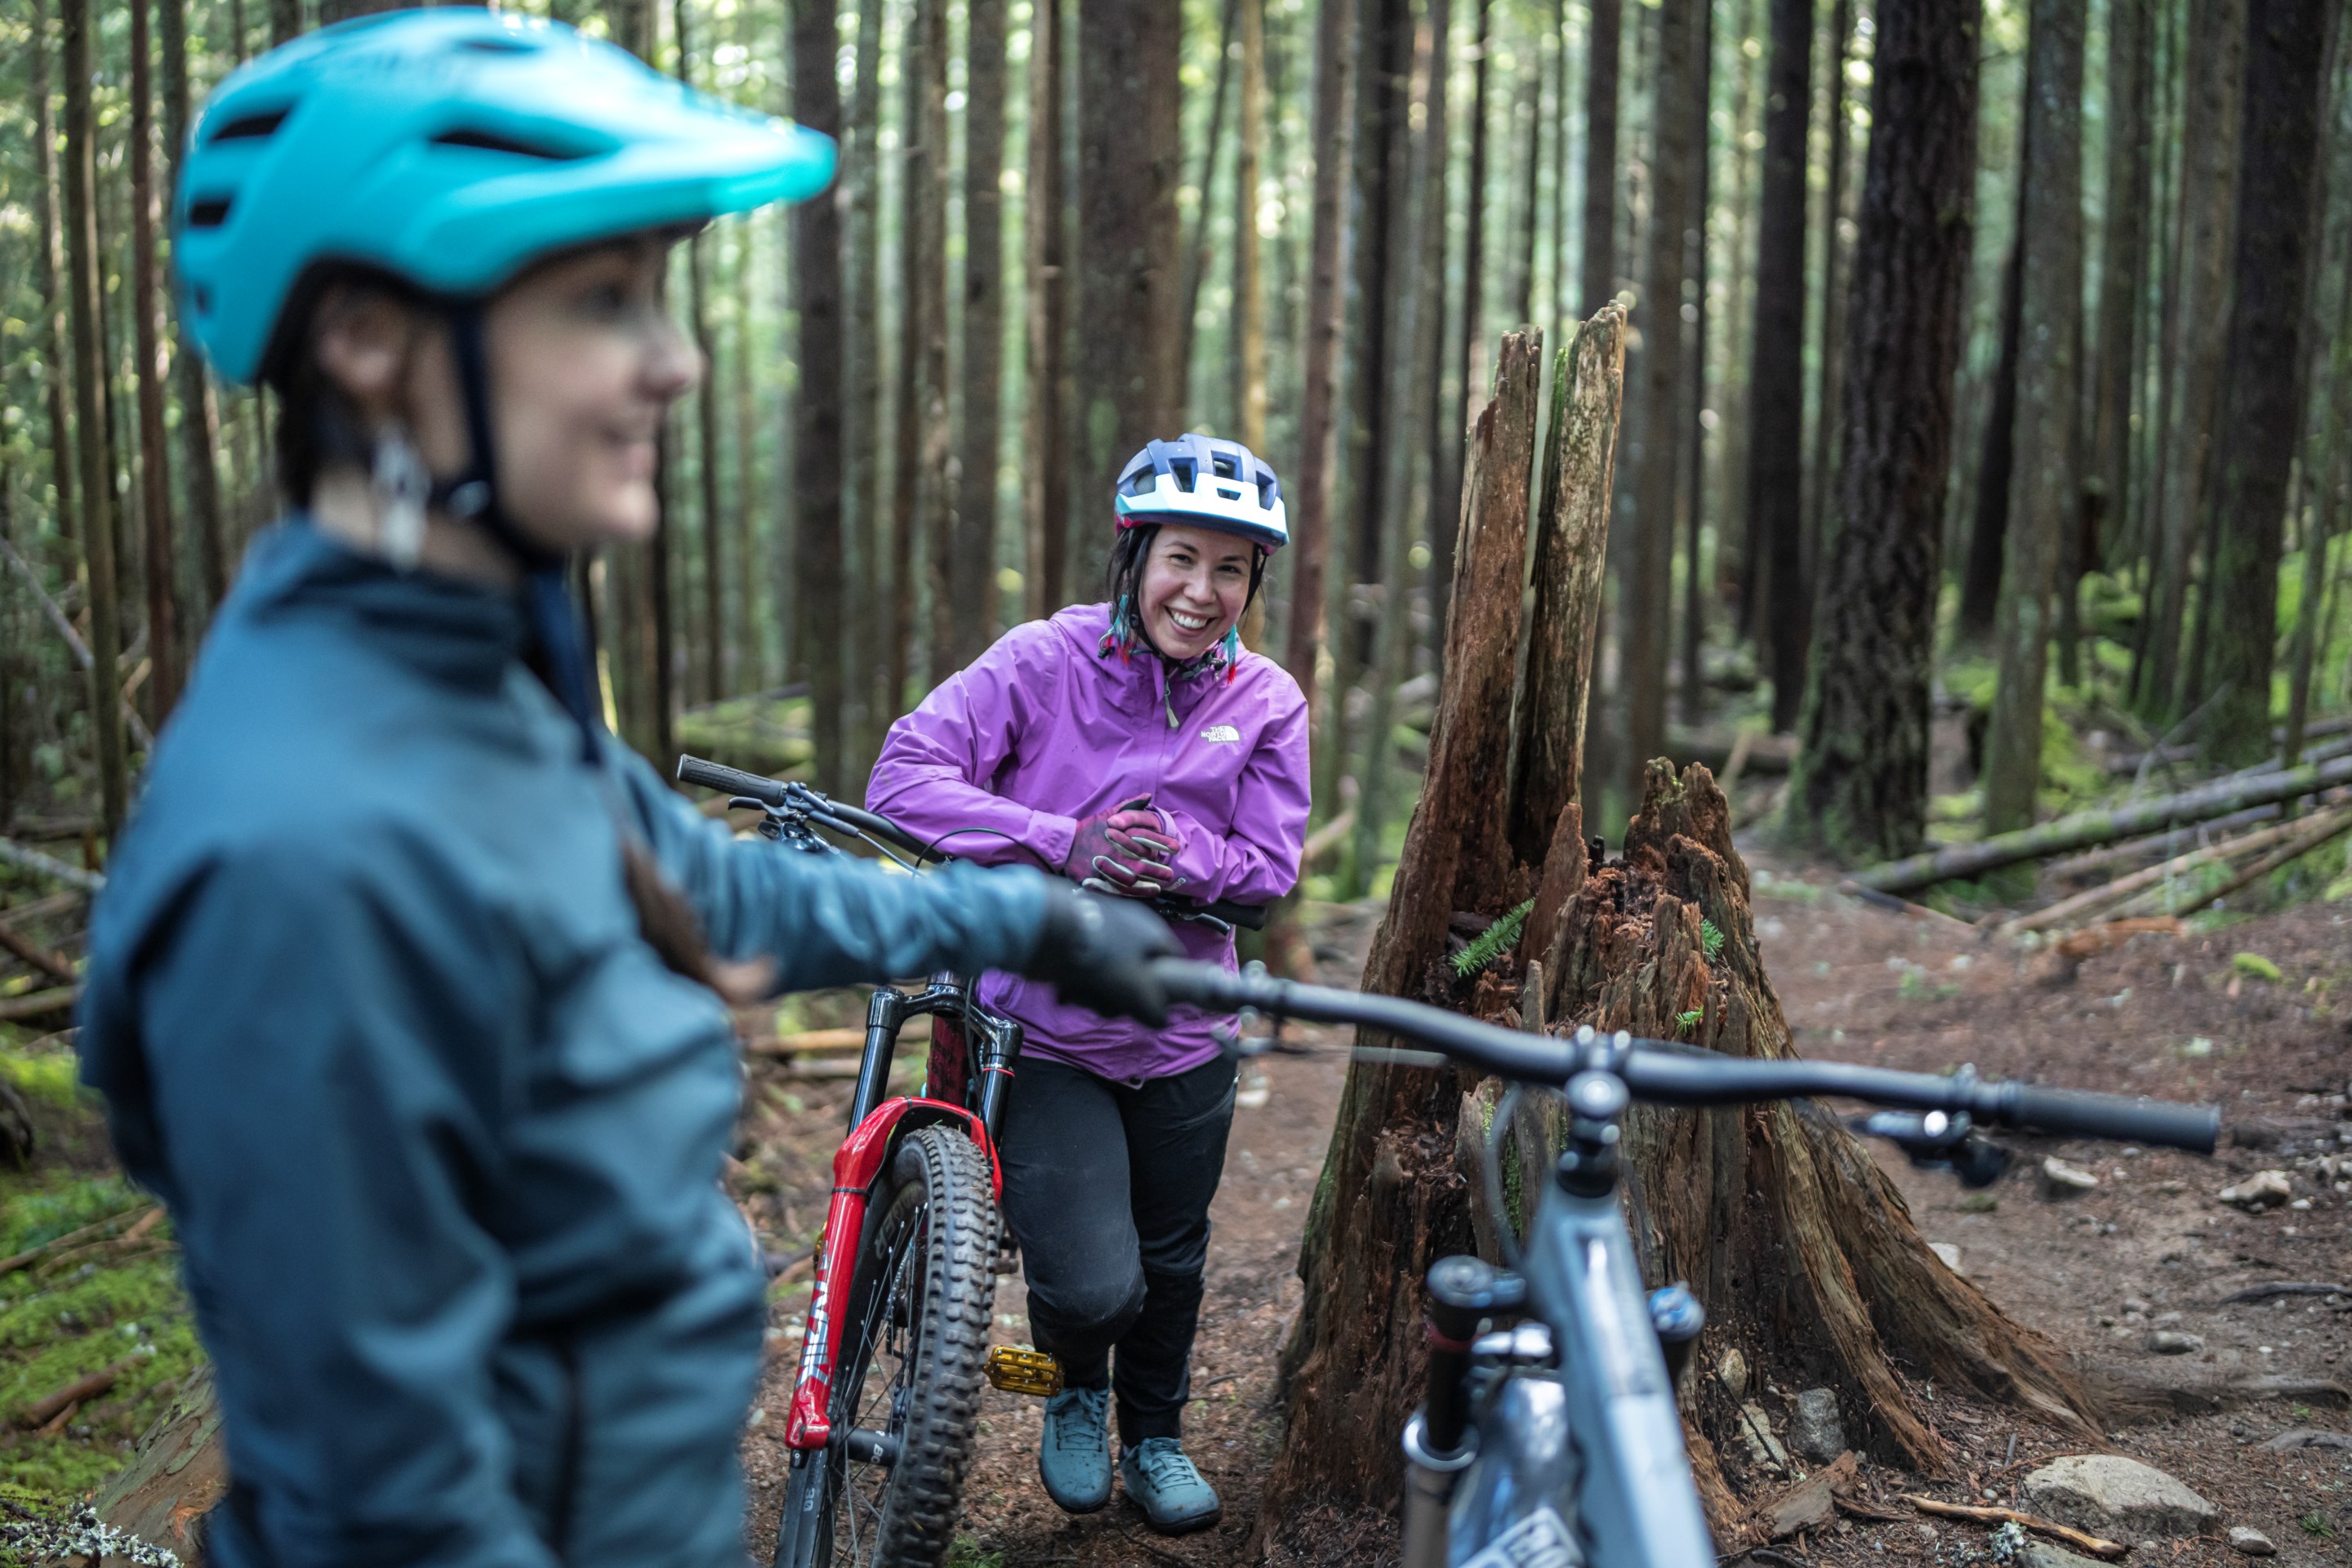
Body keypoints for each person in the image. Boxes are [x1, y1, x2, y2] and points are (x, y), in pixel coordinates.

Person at [74, 14, 1175, 1567]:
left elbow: (712, 892)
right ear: (371, 341)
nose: (678, 361)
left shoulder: (447, 693)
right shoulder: (305, 858)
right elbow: (396, 1517)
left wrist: (1033, 921)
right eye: (604, 301)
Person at [866, 433, 1311, 1533]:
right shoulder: (1041, 661)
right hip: (1043, 1030)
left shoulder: (1268, 700)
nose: (1201, 592)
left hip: (1187, 1029)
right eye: (1182, 559)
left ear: (1254, 584)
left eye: (1231, 569)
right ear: (1135, 556)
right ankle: (1076, 1379)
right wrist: (1061, 840)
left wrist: (1182, 860)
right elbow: (903, 777)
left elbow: (1270, 868)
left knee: (1172, 1257)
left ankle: (1154, 1437)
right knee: (1091, 1289)